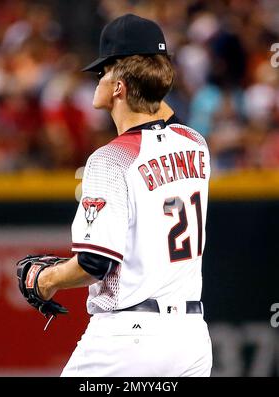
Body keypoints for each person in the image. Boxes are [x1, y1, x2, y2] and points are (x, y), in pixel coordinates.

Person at [36, 13, 212, 377]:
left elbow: (94, 264)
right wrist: (151, 80)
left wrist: (46, 280)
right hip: (192, 338)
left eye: (102, 72)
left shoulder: (110, 159)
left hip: (127, 337)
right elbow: (165, 120)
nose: (97, 79)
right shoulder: (196, 143)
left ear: (119, 85)